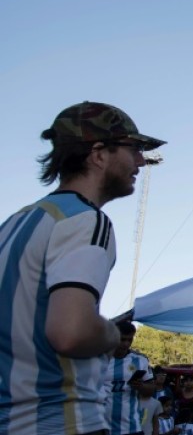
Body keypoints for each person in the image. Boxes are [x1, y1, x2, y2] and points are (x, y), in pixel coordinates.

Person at [0, 101, 164, 434]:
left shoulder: (14, 224)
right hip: (65, 421)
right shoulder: (87, 221)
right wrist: (110, 333)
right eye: (133, 149)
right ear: (99, 154)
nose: (140, 161)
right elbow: (71, 332)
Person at [104, 321, 156, 435]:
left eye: (130, 340)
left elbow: (151, 389)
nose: (126, 344)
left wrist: (141, 386)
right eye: (122, 339)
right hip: (103, 428)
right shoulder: (99, 359)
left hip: (131, 428)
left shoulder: (140, 360)